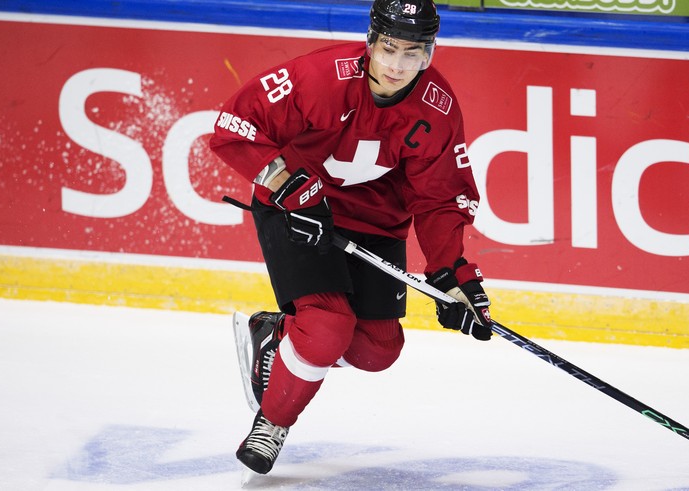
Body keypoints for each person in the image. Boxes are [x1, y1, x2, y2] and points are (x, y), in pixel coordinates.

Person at [209, 0, 493, 475]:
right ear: (370, 41)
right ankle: (273, 423)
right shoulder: (319, 78)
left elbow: (440, 199)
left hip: (375, 219)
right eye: (389, 49)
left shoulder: (437, 110)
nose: (398, 65)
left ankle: (277, 338)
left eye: (413, 53)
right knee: (326, 329)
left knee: (378, 349)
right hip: (295, 205)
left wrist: (452, 275)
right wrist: (291, 187)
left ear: (430, 52)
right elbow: (234, 128)